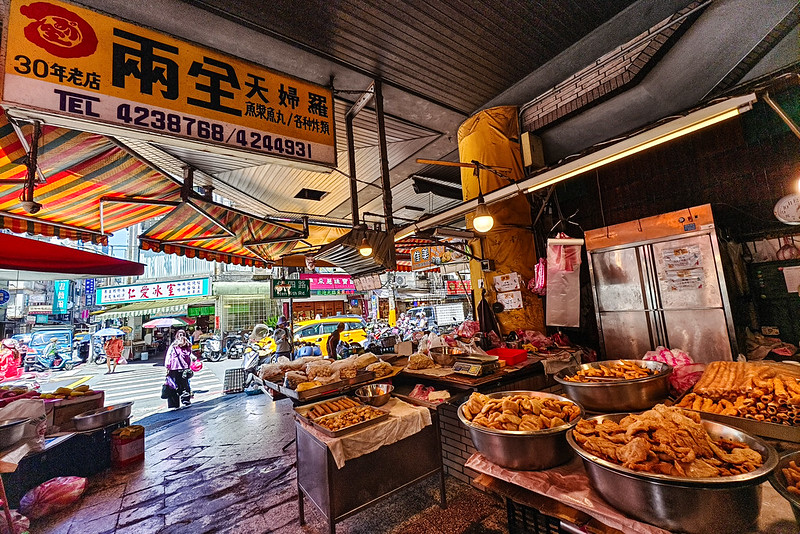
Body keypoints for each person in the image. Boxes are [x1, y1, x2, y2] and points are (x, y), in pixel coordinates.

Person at [165, 330, 193, 408]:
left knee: (174, 385)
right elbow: (190, 354)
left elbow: (168, 356)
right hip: (184, 367)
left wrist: (167, 365)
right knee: (185, 384)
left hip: (174, 368)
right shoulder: (188, 344)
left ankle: (174, 403)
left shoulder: (174, 345)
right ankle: (186, 400)